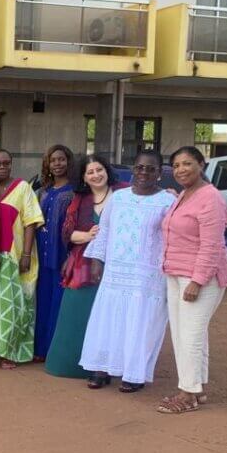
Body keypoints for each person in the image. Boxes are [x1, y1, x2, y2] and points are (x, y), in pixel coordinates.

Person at [79, 151, 176, 391]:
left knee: (140, 324)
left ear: (160, 172)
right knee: (108, 320)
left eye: (151, 169)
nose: (144, 172)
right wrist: (96, 260)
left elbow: (173, 236)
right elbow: (105, 228)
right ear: (133, 169)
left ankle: (134, 373)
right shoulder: (119, 197)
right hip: (115, 271)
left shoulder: (168, 201)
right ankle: (101, 368)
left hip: (148, 274)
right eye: (140, 167)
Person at [158, 146, 227, 415]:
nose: (181, 170)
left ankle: (187, 394)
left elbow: (212, 245)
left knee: (189, 337)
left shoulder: (210, 198)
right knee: (185, 335)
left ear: (202, 164)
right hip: (176, 273)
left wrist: (197, 281)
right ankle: (196, 388)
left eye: (187, 164)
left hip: (199, 278)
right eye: (176, 166)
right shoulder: (185, 196)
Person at [45, 155, 120, 380]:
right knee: (76, 313)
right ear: (84, 177)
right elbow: (67, 234)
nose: (96, 175)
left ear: (107, 171)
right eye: (90, 172)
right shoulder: (79, 199)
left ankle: (106, 366)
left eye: (99, 169)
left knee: (110, 317)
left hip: (116, 265)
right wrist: (88, 235)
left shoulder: (124, 193)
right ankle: (71, 365)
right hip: (82, 266)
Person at [0, 149, 44, 369]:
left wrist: (26, 254)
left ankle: (11, 350)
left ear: (11, 164)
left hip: (15, 254)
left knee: (16, 305)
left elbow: (31, 222)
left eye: (6, 163)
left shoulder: (23, 188)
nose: (2, 167)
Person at [34, 145, 75, 360]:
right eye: (53, 160)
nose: (57, 164)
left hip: (62, 252)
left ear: (68, 161)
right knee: (43, 299)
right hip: (42, 251)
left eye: (61, 159)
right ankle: (40, 348)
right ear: (47, 165)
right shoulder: (43, 190)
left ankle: (54, 349)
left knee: (58, 301)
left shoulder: (75, 190)